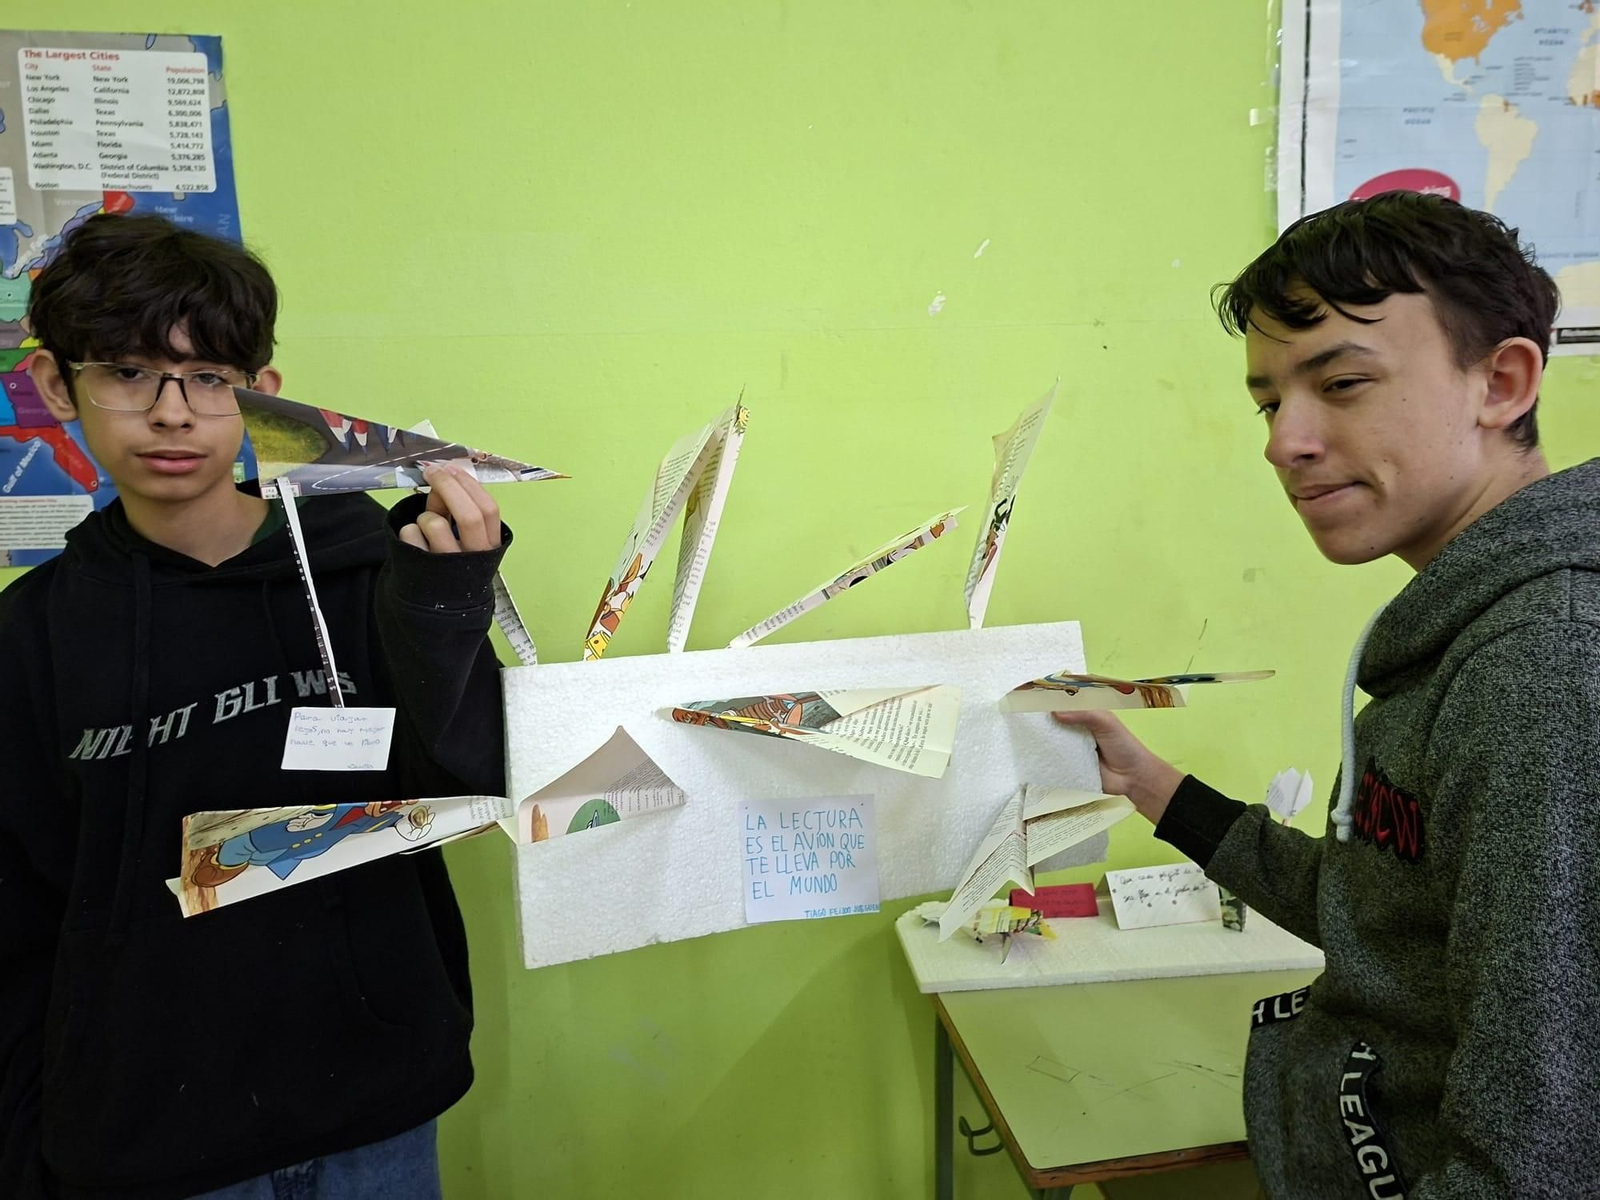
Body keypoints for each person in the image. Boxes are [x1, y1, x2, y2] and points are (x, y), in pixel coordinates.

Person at [1058, 192, 1600, 1198]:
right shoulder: (1468, 630)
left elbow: (1541, 1161)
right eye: (1268, 402)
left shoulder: (1542, 671)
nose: (1283, 442)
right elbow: (1389, 914)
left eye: (1340, 383)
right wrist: (1157, 790)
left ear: (1501, 380)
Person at [0, 213, 511, 1199]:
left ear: (262, 395)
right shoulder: (33, 639)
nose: (172, 414)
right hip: (147, 1136)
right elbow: (20, 919)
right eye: (125, 373)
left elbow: (462, 785)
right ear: (60, 387)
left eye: (207, 379)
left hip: (377, 1106)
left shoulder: (367, 561)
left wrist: (446, 609)